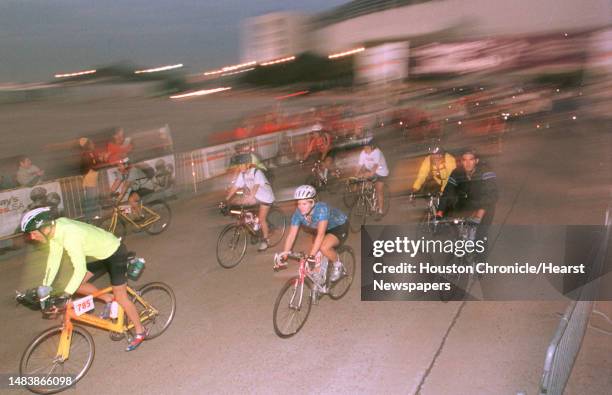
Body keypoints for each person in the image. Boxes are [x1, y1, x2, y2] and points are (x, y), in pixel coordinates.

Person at [20, 207, 147, 351]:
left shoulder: (69, 234)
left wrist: (66, 294)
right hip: (98, 255)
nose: (32, 238)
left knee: (122, 297)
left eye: (33, 234)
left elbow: (79, 269)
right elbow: (53, 260)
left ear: (44, 227)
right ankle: (109, 299)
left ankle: (140, 331)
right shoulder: (55, 232)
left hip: (114, 253)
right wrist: (44, 287)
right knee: (78, 285)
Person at [276, 185, 349, 284]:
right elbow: (291, 235)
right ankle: (319, 278)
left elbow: (321, 234)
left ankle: (338, 265)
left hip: (338, 226)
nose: (301, 207)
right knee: (316, 255)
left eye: (304, 204)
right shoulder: (298, 213)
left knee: (323, 247)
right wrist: (284, 254)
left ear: (312, 202)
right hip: (320, 229)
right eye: (299, 203)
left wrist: (311, 256)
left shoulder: (321, 209)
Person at [436, 148, 498, 241]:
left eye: (471, 159)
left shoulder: (486, 172)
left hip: (485, 206)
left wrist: (479, 214)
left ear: (476, 161)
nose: (468, 163)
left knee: (480, 236)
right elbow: (448, 191)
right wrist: (440, 211)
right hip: (466, 203)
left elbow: (491, 195)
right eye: (465, 160)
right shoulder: (456, 173)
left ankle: (480, 251)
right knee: (458, 234)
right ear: (461, 162)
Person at [225, 153, 275, 251]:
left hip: (266, 197)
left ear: (248, 165)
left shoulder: (256, 172)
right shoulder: (242, 175)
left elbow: (255, 187)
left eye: (242, 164)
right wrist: (226, 200)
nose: (240, 167)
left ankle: (265, 240)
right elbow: (235, 187)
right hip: (256, 197)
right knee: (246, 214)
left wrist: (249, 198)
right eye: (239, 165)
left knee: (261, 219)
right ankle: (255, 232)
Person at [357, 138, 389, 218]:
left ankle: (380, 210)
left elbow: (375, 166)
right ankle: (372, 198)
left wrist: (369, 174)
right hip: (370, 170)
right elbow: (359, 165)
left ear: (372, 147)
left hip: (381, 172)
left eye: (367, 148)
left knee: (379, 190)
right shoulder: (363, 153)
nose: (365, 149)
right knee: (365, 183)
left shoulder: (377, 152)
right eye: (364, 147)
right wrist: (356, 174)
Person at [80, 138, 103, 219]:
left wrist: (100, 161)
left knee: (92, 200)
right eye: (91, 143)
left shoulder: (90, 154)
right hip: (90, 180)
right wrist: (100, 161)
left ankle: (92, 216)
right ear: (88, 145)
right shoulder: (86, 154)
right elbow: (92, 167)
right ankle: (88, 218)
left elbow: (95, 165)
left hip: (92, 180)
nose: (93, 145)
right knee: (90, 200)